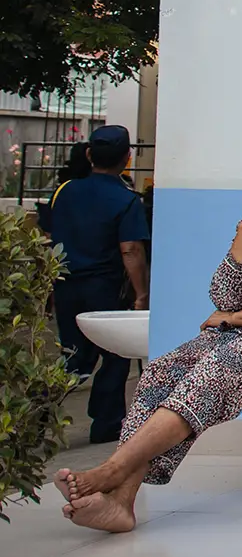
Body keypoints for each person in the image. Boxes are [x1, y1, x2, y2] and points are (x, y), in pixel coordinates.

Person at [54, 126, 242, 533]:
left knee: (224, 361)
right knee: (165, 368)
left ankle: (113, 471)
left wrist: (235, 320)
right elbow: (224, 294)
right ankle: (122, 501)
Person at [44, 126, 150, 442]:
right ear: (127, 158)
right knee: (115, 356)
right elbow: (130, 249)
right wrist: (141, 294)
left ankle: (34, 414)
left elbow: (49, 240)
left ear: (89, 154)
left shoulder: (64, 191)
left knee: (74, 356)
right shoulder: (126, 200)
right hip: (104, 287)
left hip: (66, 285)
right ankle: (105, 426)